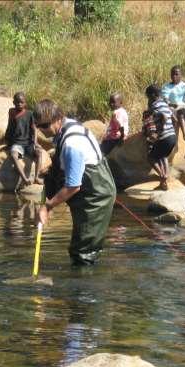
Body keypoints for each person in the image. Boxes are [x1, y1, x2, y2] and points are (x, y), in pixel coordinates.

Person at [34, 99, 116, 265]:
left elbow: (73, 186)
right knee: (80, 246)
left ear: (58, 118)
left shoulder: (72, 144)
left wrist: (47, 206)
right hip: (88, 192)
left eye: (44, 125)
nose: (41, 130)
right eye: (38, 126)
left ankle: (84, 288)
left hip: (95, 198)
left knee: (83, 252)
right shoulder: (66, 126)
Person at [6, 92, 43, 186]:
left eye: (22, 102)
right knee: (14, 155)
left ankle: (37, 177)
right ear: (13, 102)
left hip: (28, 143)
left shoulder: (30, 114)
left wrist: (35, 142)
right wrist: (8, 143)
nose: (19, 104)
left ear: (25, 103)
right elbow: (10, 127)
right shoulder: (11, 112)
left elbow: (34, 129)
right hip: (17, 143)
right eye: (17, 102)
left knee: (39, 152)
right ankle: (24, 178)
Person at [144, 84, 177, 191]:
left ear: (153, 95)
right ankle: (163, 183)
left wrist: (160, 130)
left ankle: (162, 175)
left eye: (148, 96)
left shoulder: (155, 105)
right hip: (172, 136)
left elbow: (163, 117)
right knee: (163, 156)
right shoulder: (165, 103)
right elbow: (174, 118)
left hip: (164, 137)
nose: (148, 99)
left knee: (150, 157)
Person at [161, 65, 185, 143]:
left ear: (181, 75)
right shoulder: (166, 87)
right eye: (172, 74)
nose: (174, 76)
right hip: (173, 108)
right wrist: (170, 104)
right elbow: (165, 98)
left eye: (176, 74)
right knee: (179, 112)